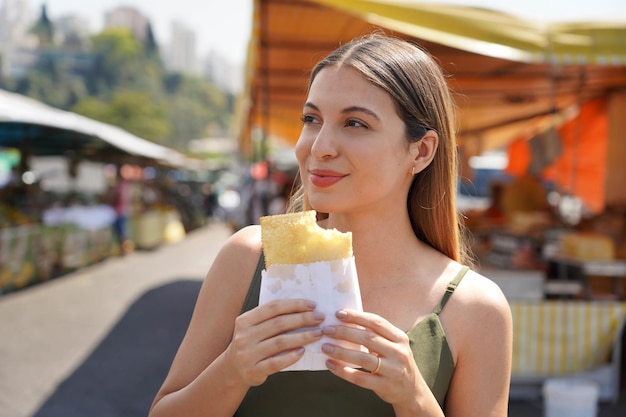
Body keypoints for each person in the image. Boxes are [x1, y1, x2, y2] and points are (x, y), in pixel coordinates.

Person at [149, 34, 512, 417]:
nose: (318, 146)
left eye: (355, 123)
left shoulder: (476, 308)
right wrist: (231, 370)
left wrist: (413, 397)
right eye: (311, 119)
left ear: (420, 151)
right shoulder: (250, 256)